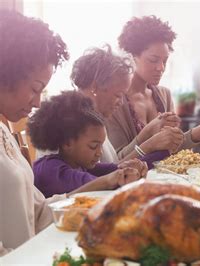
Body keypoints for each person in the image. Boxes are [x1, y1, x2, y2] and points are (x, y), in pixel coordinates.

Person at [0, 11, 137, 255]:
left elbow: (39, 212)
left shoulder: (3, 132)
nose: (36, 104)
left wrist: (98, 195)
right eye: (35, 89)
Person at [107, 15, 200, 156]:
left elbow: (176, 146)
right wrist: (147, 134)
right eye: (153, 60)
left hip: (164, 177)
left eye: (165, 60)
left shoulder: (164, 94)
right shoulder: (115, 100)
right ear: (132, 56)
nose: (161, 67)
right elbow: (116, 162)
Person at [70, 46, 176, 165]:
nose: (120, 102)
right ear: (95, 87)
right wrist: (148, 145)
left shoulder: (95, 119)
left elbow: (110, 169)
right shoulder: (75, 125)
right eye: (118, 95)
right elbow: (99, 176)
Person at [29, 92, 146, 198]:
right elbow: (102, 184)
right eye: (93, 146)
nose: (99, 153)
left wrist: (134, 167)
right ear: (67, 143)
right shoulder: (51, 170)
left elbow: (114, 169)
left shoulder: (79, 163)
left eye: (101, 146)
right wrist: (122, 176)